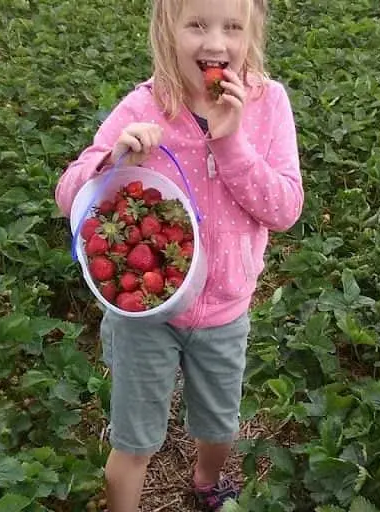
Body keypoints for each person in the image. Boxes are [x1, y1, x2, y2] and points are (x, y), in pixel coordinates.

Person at [54, 0, 303, 510]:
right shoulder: (144, 107)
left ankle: (207, 480)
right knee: (133, 439)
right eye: (196, 24)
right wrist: (112, 160)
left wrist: (231, 141)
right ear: (166, 29)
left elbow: (284, 209)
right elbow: (68, 194)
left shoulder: (268, 103)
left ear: (253, 31)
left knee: (218, 425)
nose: (215, 43)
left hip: (225, 308)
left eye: (232, 27)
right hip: (145, 311)